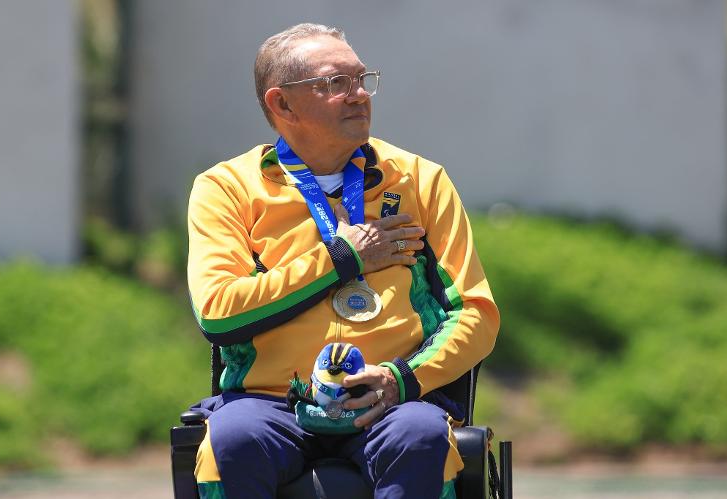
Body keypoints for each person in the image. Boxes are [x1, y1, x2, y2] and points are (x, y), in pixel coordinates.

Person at [186, 23, 500, 499]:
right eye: (335, 84)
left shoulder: (421, 180)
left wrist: (402, 380)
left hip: (393, 402)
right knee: (231, 442)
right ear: (281, 104)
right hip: (269, 401)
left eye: (361, 79)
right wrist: (342, 258)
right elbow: (219, 312)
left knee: (421, 437)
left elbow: (476, 314)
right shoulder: (226, 188)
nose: (358, 96)